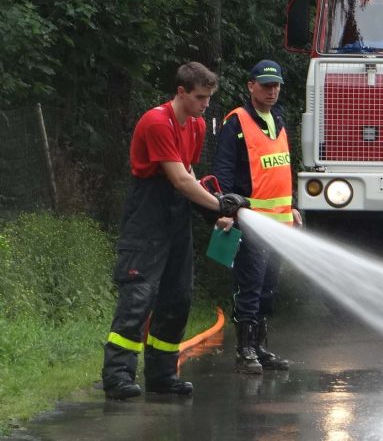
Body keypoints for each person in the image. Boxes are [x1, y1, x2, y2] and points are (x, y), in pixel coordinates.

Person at [102, 62, 249, 400]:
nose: (205, 105)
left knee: (177, 298)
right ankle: (118, 377)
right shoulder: (157, 121)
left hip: (176, 216)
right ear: (180, 91)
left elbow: (190, 175)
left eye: (209, 98)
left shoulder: (196, 126)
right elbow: (179, 179)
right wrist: (219, 205)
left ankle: (162, 375)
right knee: (138, 298)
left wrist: (213, 211)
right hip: (147, 215)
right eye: (200, 97)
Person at [213, 59, 301, 374]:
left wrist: (292, 206)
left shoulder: (278, 118)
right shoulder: (236, 122)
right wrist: (225, 211)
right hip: (251, 221)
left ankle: (261, 348)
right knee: (250, 285)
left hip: (279, 223)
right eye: (265, 85)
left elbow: (282, 168)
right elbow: (222, 171)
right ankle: (245, 350)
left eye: (276, 85)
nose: (272, 90)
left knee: (268, 286)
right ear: (251, 86)